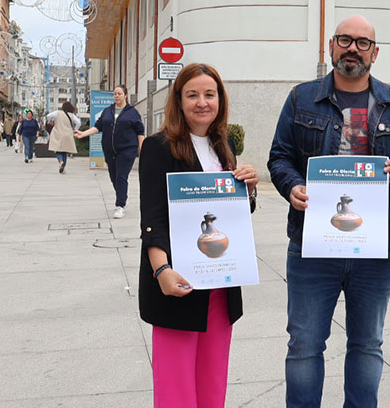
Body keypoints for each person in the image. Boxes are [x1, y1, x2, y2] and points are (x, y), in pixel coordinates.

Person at [267, 15, 390, 408]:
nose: (352, 48)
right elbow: (279, 157)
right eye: (345, 40)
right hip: (312, 244)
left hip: (379, 247)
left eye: (362, 42)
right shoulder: (301, 98)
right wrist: (292, 187)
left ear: (375, 52)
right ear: (331, 46)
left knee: (367, 343)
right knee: (304, 343)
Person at [137, 63, 258, 408]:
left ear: (220, 99)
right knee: (176, 390)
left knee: (212, 383)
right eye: (192, 95)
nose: (202, 102)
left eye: (209, 94)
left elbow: (234, 214)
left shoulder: (224, 146)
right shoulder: (159, 147)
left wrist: (247, 189)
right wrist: (162, 271)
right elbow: (153, 218)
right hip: (179, 281)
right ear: (179, 100)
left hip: (220, 284)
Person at [75, 85, 146, 218]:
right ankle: (122, 196)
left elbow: (140, 132)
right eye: (115, 94)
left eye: (119, 93)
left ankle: (120, 205)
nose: (116, 96)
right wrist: (83, 134)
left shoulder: (132, 112)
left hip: (127, 149)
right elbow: (98, 127)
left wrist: (143, 150)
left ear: (125, 95)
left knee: (121, 176)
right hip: (109, 150)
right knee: (113, 176)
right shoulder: (107, 111)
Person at [47, 102, 80, 174]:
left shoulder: (57, 113)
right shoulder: (72, 115)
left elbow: (48, 116)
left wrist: (51, 120)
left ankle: (61, 162)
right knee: (65, 151)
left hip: (58, 133)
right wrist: (75, 130)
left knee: (58, 150)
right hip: (68, 134)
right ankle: (63, 167)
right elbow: (78, 122)